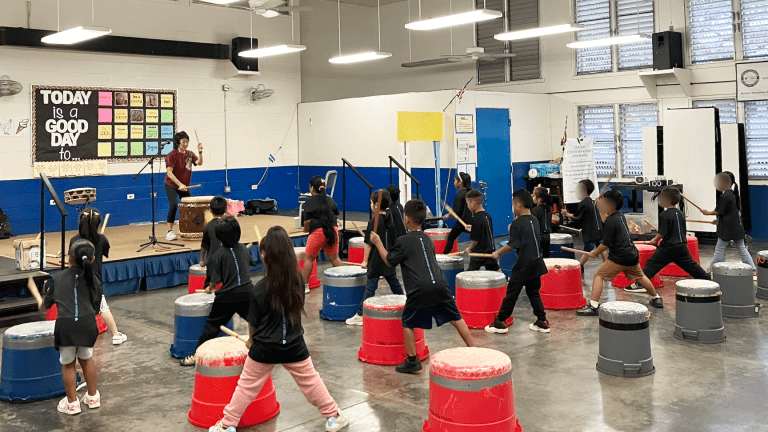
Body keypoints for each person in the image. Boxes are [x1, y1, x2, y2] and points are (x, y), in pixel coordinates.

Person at [207, 226, 349, 432]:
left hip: (264, 347)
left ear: (265, 255)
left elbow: (253, 323)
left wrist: (251, 340)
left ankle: (227, 425)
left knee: (246, 387)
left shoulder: (259, 289)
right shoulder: (298, 282)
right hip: (293, 344)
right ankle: (334, 416)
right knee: (311, 382)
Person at [369, 200, 474, 374]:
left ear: (407, 219)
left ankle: (412, 360)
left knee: (408, 322)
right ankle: (474, 349)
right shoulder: (427, 239)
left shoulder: (403, 241)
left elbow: (388, 261)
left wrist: (378, 243)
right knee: (455, 317)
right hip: (440, 284)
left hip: (419, 287)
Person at [37, 239, 103, 415]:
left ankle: (73, 404)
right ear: (93, 258)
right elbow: (96, 304)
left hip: (66, 327)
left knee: (68, 365)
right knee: (87, 359)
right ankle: (93, 397)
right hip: (88, 324)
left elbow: (46, 304)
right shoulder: (94, 278)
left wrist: (42, 303)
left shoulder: (57, 279)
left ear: (69, 258)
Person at [180, 216, 254, 366]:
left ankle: (197, 356)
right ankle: (271, 347)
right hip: (248, 292)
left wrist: (210, 287)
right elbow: (246, 265)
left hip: (227, 297)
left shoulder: (217, 256)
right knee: (257, 322)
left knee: (212, 327)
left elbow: (215, 280)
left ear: (219, 237)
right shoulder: (244, 250)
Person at [576, 191, 664, 316]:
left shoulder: (611, 222)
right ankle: (656, 298)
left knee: (599, 275)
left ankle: (593, 306)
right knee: (640, 277)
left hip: (619, 257)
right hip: (631, 254)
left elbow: (605, 244)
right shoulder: (619, 216)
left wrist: (595, 252)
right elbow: (606, 220)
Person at [485, 189, 550, 334]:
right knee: (533, 292)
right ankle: (542, 320)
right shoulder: (534, 219)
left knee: (511, 294)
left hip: (523, 264)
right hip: (537, 262)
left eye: (514, 205)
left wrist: (497, 253)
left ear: (518, 204)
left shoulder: (517, 223)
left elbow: (513, 244)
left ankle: (500, 321)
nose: (513, 208)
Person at [626, 188, 710, 293]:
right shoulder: (680, 214)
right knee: (691, 266)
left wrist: (654, 240)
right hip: (681, 246)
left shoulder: (664, 215)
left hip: (668, 247)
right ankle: (707, 279)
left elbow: (662, 233)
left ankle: (640, 284)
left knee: (652, 264)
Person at [69, 208, 127, 345]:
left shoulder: (74, 240)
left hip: (77, 279)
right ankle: (116, 334)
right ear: (98, 223)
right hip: (94, 280)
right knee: (103, 307)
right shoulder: (102, 240)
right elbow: (106, 253)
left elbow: (70, 261)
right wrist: (98, 240)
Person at [346, 190, 404, 326]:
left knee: (370, 288)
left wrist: (365, 260)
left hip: (376, 261)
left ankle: (361, 314)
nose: (370, 205)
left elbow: (368, 244)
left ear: (376, 205)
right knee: (395, 284)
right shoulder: (391, 218)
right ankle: (405, 303)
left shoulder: (374, 221)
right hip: (388, 258)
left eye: (371, 203)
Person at [701, 172, 756, 273]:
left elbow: (718, 211)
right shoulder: (734, 194)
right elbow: (731, 213)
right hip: (736, 227)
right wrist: (718, 220)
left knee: (719, 250)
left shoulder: (725, 196)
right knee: (742, 249)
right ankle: (752, 268)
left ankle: (712, 269)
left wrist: (706, 212)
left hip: (727, 229)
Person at [301, 176, 343, 292]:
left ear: (312, 189)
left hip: (317, 232)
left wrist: (305, 230)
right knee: (334, 258)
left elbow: (307, 222)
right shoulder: (330, 200)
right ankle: (345, 280)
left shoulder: (309, 202)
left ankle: (304, 286)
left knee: (309, 259)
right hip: (332, 230)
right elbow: (336, 215)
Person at [165, 131, 203, 241]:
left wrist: (200, 152)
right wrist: (180, 185)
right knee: (173, 205)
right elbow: (169, 173)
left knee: (189, 206)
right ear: (178, 142)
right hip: (171, 184)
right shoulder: (171, 155)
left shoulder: (190, 154)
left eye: (187, 142)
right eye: (183, 142)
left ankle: (189, 227)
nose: (186, 144)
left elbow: (199, 163)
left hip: (184, 186)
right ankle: (170, 231)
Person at [562, 180, 606, 274]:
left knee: (587, 249)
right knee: (601, 247)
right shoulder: (592, 202)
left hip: (591, 231)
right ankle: (607, 265)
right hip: (599, 229)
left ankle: (580, 265)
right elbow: (591, 217)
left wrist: (566, 214)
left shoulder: (584, 203)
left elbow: (577, 217)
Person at [463, 190, 499, 271]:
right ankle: (505, 283)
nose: (468, 206)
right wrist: (473, 228)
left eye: (468, 204)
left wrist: (469, 248)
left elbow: (475, 241)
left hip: (479, 252)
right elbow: (484, 230)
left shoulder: (476, 218)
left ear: (473, 203)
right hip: (490, 249)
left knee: (470, 273)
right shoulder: (487, 215)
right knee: (495, 270)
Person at [442, 172, 473, 254]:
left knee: (451, 238)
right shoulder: (471, 193)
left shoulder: (459, 195)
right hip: (473, 221)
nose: (454, 182)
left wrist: (448, 215)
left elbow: (457, 211)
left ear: (460, 182)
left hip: (462, 223)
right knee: (478, 238)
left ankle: (444, 256)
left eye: (455, 180)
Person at [200, 196, 228, 270]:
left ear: (210, 210)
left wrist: (202, 260)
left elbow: (203, 246)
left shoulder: (208, 226)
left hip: (212, 263)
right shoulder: (231, 223)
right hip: (228, 261)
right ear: (226, 209)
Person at [531, 186, 552, 258]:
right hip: (548, 236)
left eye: (534, 195)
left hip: (539, 236)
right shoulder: (549, 208)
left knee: (538, 255)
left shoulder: (535, 210)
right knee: (547, 255)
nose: (532, 197)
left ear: (539, 199)